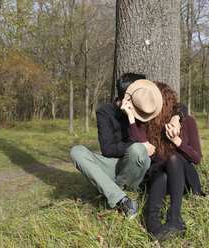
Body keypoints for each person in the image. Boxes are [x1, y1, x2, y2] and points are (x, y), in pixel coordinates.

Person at [70, 73, 181, 219]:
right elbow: (107, 150)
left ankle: (110, 193)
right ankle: (122, 199)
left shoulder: (144, 108)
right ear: (128, 97)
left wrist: (176, 116)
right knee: (76, 151)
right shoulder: (105, 113)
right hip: (114, 164)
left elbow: (172, 104)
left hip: (137, 168)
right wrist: (137, 144)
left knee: (137, 150)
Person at [128, 82, 205, 240]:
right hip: (159, 177)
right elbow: (138, 143)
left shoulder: (187, 122)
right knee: (161, 174)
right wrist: (131, 118)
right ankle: (153, 223)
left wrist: (177, 141)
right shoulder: (147, 123)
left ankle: (175, 216)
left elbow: (197, 159)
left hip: (181, 178)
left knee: (173, 160)